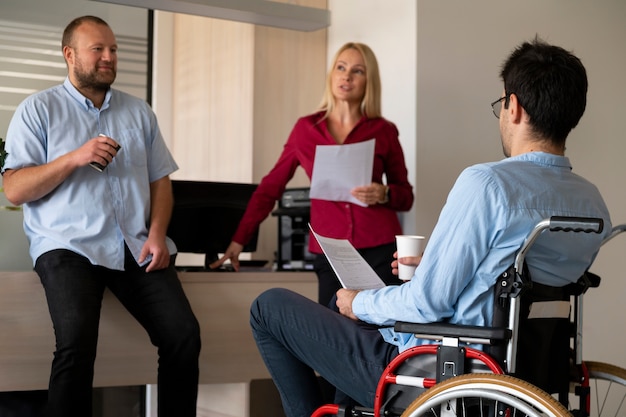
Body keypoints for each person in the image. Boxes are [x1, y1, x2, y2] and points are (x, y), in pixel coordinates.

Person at [248, 37, 613, 417]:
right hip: (527, 369)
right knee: (344, 312)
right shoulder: (590, 201)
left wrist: (359, 301)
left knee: (269, 306)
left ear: (514, 106)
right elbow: (516, 281)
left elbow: (428, 303)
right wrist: (439, 265)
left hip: (442, 370)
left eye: (501, 104)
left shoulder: (486, 183)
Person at [1, 16, 200, 417]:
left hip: (134, 244)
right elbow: (15, 189)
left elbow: (161, 181)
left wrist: (158, 234)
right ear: (69, 54)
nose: (108, 57)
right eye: (98, 49)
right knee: (76, 342)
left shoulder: (139, 112)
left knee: (184, 335)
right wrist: (76, 156)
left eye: (113, 49)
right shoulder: (37, 109)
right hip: (67, 246)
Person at [210, 42, 414, 307]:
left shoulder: (384, 130)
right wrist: (240, 239)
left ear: (369, 81)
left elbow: (406, 196)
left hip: (380, 249)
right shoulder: (305, 129)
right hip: (331, 252)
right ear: (332, 74)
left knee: (382, 332)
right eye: (341, 67)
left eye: (357, 71)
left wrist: (384, 192)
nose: (346, 76)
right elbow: (270, 188)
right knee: (330, 330)